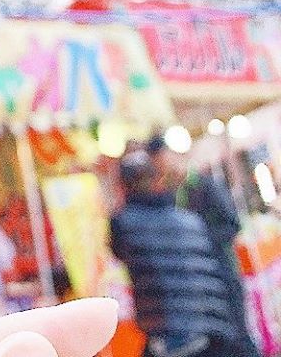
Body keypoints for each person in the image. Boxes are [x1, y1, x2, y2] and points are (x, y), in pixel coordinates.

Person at [111, 148, 240, 357]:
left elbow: (118, 252)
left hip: (171, 332)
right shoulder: (188, 218)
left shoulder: (124, 222)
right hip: (213, 325)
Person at [147, 135, 261, 357]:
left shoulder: (204, 184)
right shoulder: (171, 194)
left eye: (161, 161)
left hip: (223, 272)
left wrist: (198, 241)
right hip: (199, 280)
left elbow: (232, 224)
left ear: (170, 155)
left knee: (238, 334)